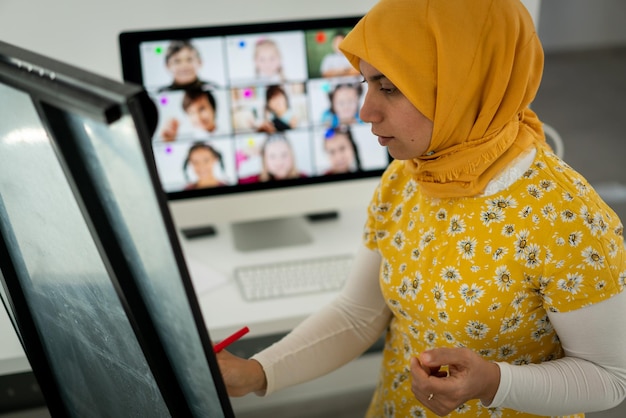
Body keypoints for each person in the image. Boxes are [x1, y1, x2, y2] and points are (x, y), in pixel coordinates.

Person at [217, 0, 626, 417]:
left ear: (465, 84)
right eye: (367, 84)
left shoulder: (566, 217)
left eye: (390, 88)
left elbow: (610, 378)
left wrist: (494, 382)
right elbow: (358, 314)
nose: (365, 112)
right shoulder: (409, 176)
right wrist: (257, 372)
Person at [238, 133, 305, 183]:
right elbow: (230, 180)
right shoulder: (254, 180)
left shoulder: (303, 178)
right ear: (264, 160)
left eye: (284, 155)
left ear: (292, 156)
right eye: (272, 156)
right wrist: (243, 154)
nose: (279, 161)